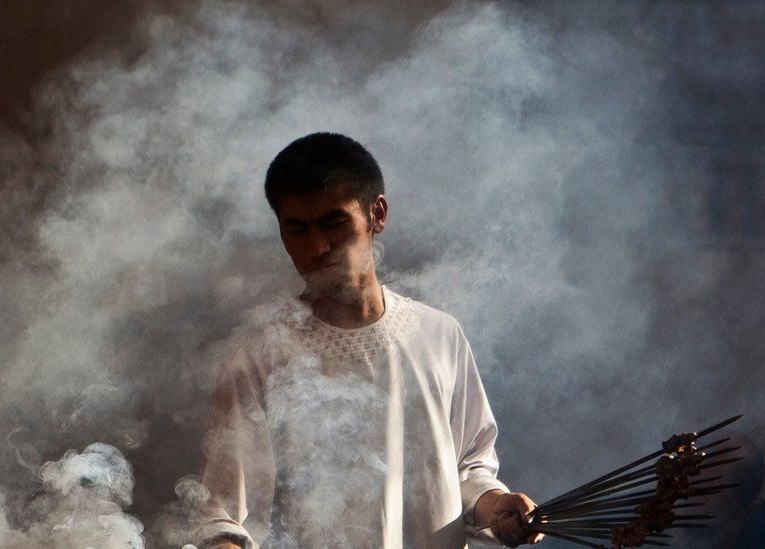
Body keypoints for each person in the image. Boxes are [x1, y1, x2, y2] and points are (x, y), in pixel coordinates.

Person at [194, 132, 541, 548]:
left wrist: (496, 505)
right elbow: (225, 514)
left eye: (334, 222)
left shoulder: (438, 334)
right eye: (297, 229)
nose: (317, 246)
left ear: (376, 214)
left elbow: (467, 468)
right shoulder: (257, 354)